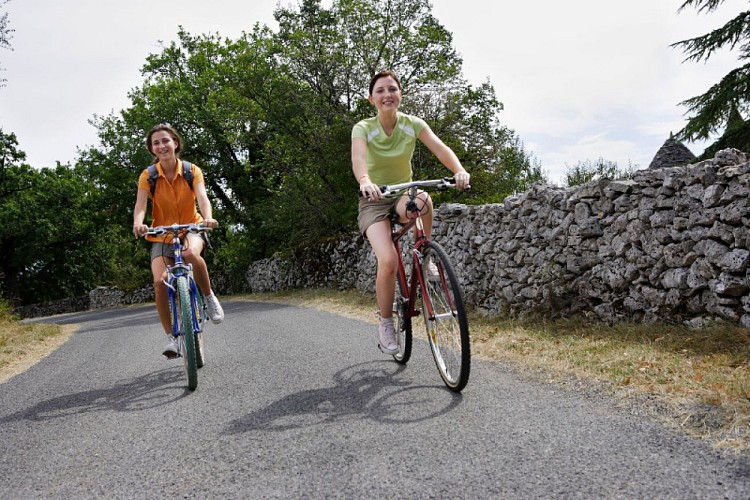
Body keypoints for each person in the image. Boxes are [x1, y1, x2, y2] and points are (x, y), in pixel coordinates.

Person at [351, 70, 470, 355]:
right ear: (371, 99)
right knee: (389, 261)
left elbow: (440, 148)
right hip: (374, 199)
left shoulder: (412, 124)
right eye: (380, 90)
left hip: (402, 193)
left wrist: (459, 170)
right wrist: (365, 181)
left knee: (424, 200)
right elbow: (359, 159)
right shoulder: (363, 128)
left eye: (392, 89)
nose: (387, 94)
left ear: (400, 95)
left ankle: (425, 254)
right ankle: (385, 321)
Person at [132, 124, 224, 359]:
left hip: (191, 227)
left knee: (190, 255)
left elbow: (202, 197)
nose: (161, 146)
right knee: (159, 282)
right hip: (162, 234)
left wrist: (208, 218)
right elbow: (140, 205)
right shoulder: (148, 176)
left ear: (175, 143)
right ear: (152, 149)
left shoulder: (192, 170)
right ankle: (172, 337)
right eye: (156, 143)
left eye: (165, 141)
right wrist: (139, 223)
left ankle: (208, 296)